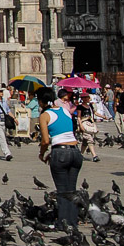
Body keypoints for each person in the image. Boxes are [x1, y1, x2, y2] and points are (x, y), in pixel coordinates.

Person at [37, 86, 82, 227]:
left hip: (60, 153)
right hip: (75, 152)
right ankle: (73, 221)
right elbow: (68, 132)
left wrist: (42, 153)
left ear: (40, 101)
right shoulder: (65, 110)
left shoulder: (45, 115)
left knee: (62, 190)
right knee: (71, 189)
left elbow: (45, 140)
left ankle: (63, 223)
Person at [76, 93, 101, 162]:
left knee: (85, 141)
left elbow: (95, 113)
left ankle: (80, 155)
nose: (87, 99)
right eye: (85, 97)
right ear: (82, 99)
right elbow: (78, 117)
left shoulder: (90, 106)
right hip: (84, 124)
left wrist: (103, 116)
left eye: (87, 97)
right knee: (90, 139)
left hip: (90, 124)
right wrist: (80, 125)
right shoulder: (80, 107)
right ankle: (94, 156)